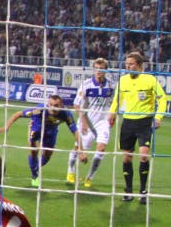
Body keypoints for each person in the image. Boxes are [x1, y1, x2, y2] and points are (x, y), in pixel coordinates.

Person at [107, 51, 167, 204]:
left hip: (144, 122)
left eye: (131, 64)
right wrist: (112, 113)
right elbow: (116, 99)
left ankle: (143, 192)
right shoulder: (123, 80)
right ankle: (128, 191)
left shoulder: (150, 80)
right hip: (128, 122)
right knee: (127, 157)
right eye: (126, 64)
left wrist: (158, 116)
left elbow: (163, 99)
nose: (128, 67)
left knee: (144, 155)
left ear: (139, 65)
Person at [0, 94, 77, 187]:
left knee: (48, 155)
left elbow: (75, 131)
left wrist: (81, 149)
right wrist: (7, 126)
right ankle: (35, 176)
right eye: (50, 104)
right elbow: (18, 114)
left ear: (61, 105)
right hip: (36, 128)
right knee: (34, 150)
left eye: (56, 106)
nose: (53, 108)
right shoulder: (39, 110)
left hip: (51, 131)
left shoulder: (66, 114)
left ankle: (35, 167)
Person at [66, 58, 114, 187]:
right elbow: (76, 105)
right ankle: (70, 171)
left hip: (102, 122)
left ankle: (89, 177)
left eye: (102, 69)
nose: (99, 72)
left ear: (106, 70)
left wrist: (112, 115)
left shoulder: (111, 85)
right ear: (94, 70)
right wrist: (83, 121)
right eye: (97, 69)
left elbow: (115, 103)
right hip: (87, 120)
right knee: (78, 148)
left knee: (101, 149)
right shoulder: (86, 84)